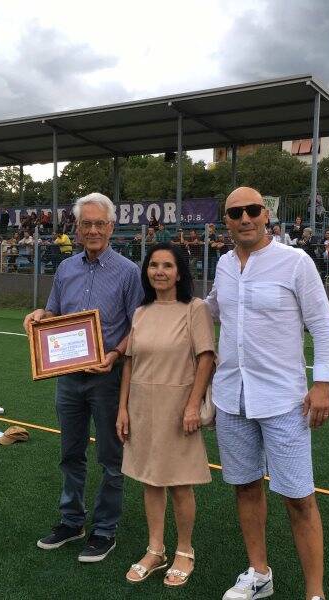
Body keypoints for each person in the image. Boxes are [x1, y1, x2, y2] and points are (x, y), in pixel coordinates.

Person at [206, 186, 329, 600]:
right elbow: (210, 309)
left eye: (251, 210)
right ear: (226, 220)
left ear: (266, 214)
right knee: (245, 487)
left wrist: (322, 384)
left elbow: (322, 324)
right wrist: (157, 306)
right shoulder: (224, 265)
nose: (244, 218)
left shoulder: (295, 262)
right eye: (235, 212)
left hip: (284, 401)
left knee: (299, 498)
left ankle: (314, 593)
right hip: (232, 398)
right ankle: (259, 573)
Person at [23, 192, 143, 563]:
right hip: (69, 377)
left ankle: (104, 530)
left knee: (111, 457)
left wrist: (116, 353)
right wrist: (40, 314)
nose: (93, 230)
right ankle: (71, 520)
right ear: (77, 229)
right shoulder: (66, 269)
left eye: (99, 224)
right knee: (70, 452)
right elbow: (56, 313)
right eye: (86, 223)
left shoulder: (128, 271)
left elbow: (137, 326)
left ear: (111, 227)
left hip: (108, 377)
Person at [116, 242, 215, 588]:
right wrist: (122, 409)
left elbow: (206, 359)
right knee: (149, 480)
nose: (159, 271)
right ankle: (155, 549)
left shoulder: (195, 309)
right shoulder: (141, 312)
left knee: (179, 483)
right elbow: (129, 362)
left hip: (177, 408)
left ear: (179, 272)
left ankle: (184, 551)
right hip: (142, 405)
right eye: (153, 265)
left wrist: (192, 404)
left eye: (167, 266)